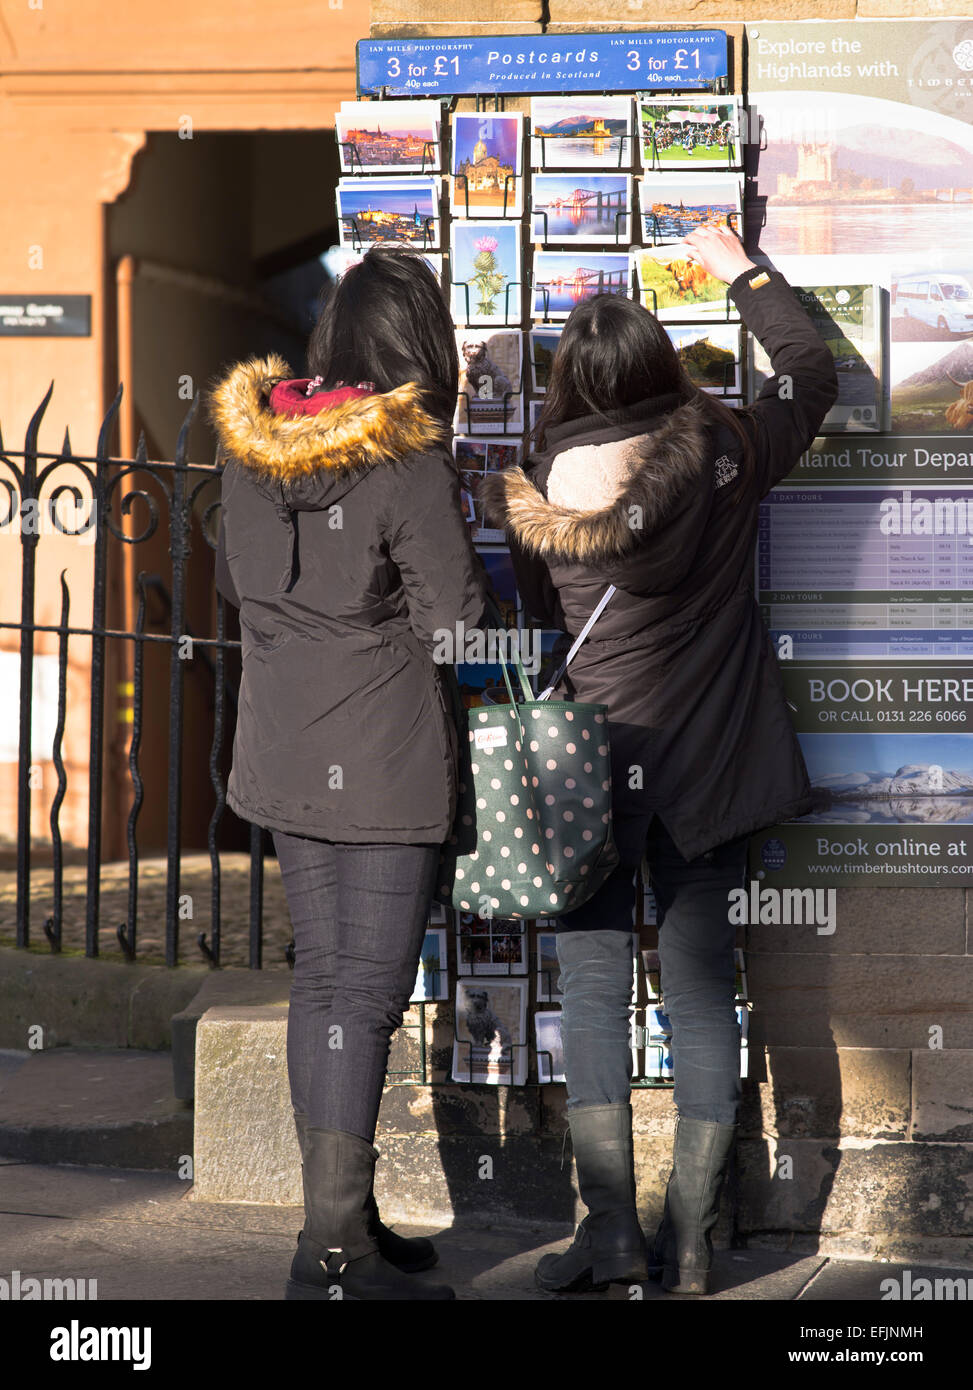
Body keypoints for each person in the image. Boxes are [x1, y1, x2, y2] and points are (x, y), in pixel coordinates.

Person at [481, 224, 839, 1296]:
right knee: (698, 996)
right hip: (712, 768)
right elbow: (812, 373)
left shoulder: (540, 484)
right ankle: (689, 1246)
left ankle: (609, 1241)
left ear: (566, 388)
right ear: (659, 366)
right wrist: (742, 267)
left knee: (590, 996)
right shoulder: (725, 444)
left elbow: (539, 618)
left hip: (595, 773)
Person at [209, 249, 489, 1301]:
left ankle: (346, 1226)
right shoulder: (404, 458)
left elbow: (239, 581)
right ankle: (331, 1254)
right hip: (378, 762)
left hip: (283, 748)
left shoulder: (249, 448)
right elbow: (456, 624)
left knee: (324, 981)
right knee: (362, 995)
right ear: (417, 342)